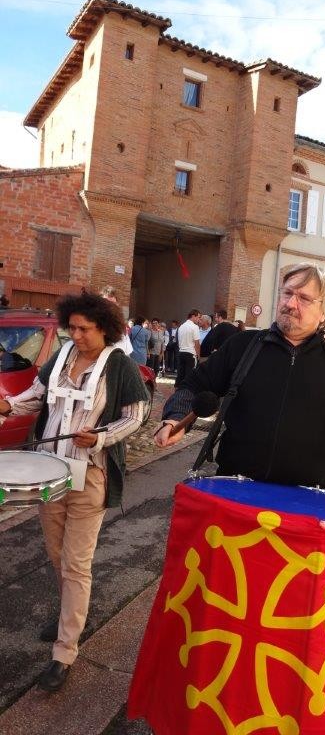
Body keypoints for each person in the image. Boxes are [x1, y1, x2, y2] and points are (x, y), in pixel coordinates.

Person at [0, 292, 147, 691]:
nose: (77, 335)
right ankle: (70, 613)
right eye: (73, 328)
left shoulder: (120, 364)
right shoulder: (62, 356)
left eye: (85, 329)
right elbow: (37, 394)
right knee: (55, 553)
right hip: (51, 473)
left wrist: (99, 438)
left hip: (91, 476)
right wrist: (9, 407)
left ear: (105, 328)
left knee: (76, 563)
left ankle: (65, 651)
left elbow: (137, 415)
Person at [156, 263, 325, 494]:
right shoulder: (241, 346)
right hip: (236, 492)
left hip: (310, 502)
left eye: (303, 298)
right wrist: (175, 418)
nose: (290, 303)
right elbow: (194, 387)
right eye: (287, 293)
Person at [99, 285, 133, 355]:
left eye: (113, 304)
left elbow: (127, 353)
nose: (109, 306)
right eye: (105, 302)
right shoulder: (91, 325)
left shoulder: (122, 328)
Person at [175, 309, 201, 387]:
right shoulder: (195, 327)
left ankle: (177, 392)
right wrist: (198, 355)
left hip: (181, 352)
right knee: (189, 375)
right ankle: (186, 393)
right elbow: (197, 343)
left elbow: (178, 341)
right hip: (190, 354)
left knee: (180, 374)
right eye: (198, 317)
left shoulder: (181, 327)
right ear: (193, 316)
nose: (199, 320)